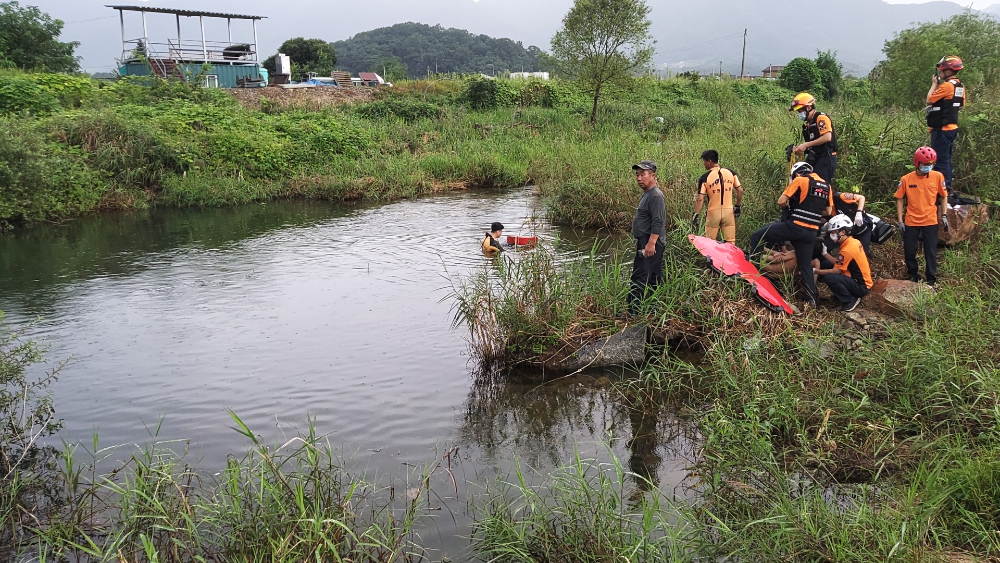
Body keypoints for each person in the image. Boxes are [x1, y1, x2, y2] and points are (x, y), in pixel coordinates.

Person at [748, 161, 834, 309]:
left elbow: (781, 201)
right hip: (811, 233)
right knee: (805, 265)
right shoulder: (827, 186)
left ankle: (753, 275)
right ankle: (810, 300)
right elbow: (828, 211)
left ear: (797, 173)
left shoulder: (800, 180)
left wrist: (790, 208)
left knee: (757, 236)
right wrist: (812, 211)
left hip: (794, 226)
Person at [896, 146, 949, 285]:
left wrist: (944, 215)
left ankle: (931, 279)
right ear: (917, 163)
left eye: (930, 164)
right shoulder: (906, 179)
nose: (927, 167)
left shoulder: (937, 177)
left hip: (930, 220)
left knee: (930, 251)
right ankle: (913, 274)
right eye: (925, 164)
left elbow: (943, 196)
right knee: (909, 250)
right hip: (911, 220)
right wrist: (900, 221)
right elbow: (900, 199)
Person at [629, 160, 666, 314]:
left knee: (639, 276)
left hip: (651, 242)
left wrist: (651, 244)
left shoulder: (655, 195)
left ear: (652, 176)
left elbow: (658, 221)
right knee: (651, 277)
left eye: (642, 174)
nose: (639, 178)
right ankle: (651, 310)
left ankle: (633, 313)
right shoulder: (648, 194)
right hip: (647, 241)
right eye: (637, 175)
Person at [816, 215, 873, 312]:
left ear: (842, 232)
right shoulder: (853, 242)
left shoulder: (847, 250)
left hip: (861, 286)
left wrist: (815, 271)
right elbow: (840, 262)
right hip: (857, 278)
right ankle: (840, 294)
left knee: (829, 277)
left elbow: (836, 270)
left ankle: (850, 300)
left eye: (833, 233)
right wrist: (825, 253)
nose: (831, 235)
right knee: (826, 264)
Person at [926, 55, 965, 192]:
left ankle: (943, 190)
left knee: (940, 160)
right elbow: (960, 105)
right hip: (952, 128)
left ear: (948, 71)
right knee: (946, 159)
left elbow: (929, 100)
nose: (940, 73)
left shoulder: (947, 86)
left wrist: (934, 84)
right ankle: (945, 187)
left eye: (941, 71)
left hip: (942, 129)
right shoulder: (960, 86)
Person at [692, 149, 743, 244]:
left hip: (713, 213)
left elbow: (700, 199)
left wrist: (695, 215)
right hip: (728, 212)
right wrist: (737, 206)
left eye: (704, 161)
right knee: (731, 242)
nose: (704, 164)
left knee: (710, 243)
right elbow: (740, 190)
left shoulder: (705, 177)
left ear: (709, 162)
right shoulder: (731, 173)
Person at [790, 92, 839, 184]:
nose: (799, 114)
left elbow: (827, 137)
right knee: (809, 185)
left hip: (826, 158)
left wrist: (806, 144)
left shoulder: (821, 118)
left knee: (820, 186)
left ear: (808, 107)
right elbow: (813, 144)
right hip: (815, 158)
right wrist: (799, 149)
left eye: (800, 111)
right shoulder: (808, 124)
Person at [832, 190, 873, 257]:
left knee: (862, 254)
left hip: (863, 228)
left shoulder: (841, 197)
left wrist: (859, 212)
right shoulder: (827, 208)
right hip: (849, 232)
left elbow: (861, 198)